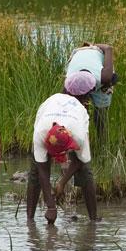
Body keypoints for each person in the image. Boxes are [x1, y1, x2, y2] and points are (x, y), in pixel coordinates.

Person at [27, 93, 96, 223]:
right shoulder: (40, 134)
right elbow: (42, 169)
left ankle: (93, 219)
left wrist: (62, 182)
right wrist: (51, 206)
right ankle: (29, 220)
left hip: (75, 110)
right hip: (49, 106)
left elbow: (80, 161)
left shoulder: (79, 135)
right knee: (35, 172)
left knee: (86, 172)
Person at [65, 42, 115, 137]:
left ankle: (102, 140)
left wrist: (94, 46)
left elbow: (108, 48)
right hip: (78, 57)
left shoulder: (105, 77)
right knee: (78, 112)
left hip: (98, 60)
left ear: (93, 88)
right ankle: (81, 137)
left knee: (101, 114)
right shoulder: (69, 81)